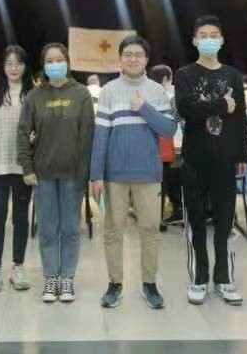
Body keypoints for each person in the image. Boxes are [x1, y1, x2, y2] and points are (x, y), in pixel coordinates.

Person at [90, 36, 176, 310]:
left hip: (148, 174)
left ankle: (149, 284)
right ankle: (115, 283)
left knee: (149, 229)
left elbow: (168, 129)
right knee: (113, 230)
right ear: (120, 58)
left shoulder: (156, 91)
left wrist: (145, 109)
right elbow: (101, 136)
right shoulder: (109, 91)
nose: (133, 59)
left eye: (138, 54)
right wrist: (96, 174)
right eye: (128, 54)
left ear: (146, 59)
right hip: (114, 175)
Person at [175, 15, 247, 306]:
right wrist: (220, 105)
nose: (209, 39)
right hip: (194, 159)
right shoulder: (185, 74)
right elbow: (186, 107)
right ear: (195, 41)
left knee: (225, 222)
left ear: (221, 40)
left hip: (226, 160)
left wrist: (241, 154)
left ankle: (224, 278)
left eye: (213, 35)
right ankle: (199, 278)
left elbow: (239, 117)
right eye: (203, 35)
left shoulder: (232, 76)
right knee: (195, 222)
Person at [18, 43, 94, 304]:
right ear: (44, 65)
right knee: (48, 229)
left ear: (67, 62)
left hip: (73, 174)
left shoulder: (81, 94)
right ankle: (51, 277)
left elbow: (87, 136)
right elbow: (23, 133)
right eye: (49, 61)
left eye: (59, 59)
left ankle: (67, 278)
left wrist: (85, 173)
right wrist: (27, 167)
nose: (55, 64)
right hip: (43, 175)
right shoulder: (34, 97)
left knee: (71, 229)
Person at [0, 45, 34, 294]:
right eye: (9, 63)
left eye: (18, 63)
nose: (14, 68)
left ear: (25, 66)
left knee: (21, 218)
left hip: (24, 166)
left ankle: (18, 267)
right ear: (2, 67)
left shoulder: (33, 95)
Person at [148, 64, 183, 226]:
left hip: (152, 145)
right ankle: (178, 208)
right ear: (166, 78)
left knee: (159, 182)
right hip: (173, 143)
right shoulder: (172, 96)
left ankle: (157, 214)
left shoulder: (146, 95)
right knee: (174, 177)